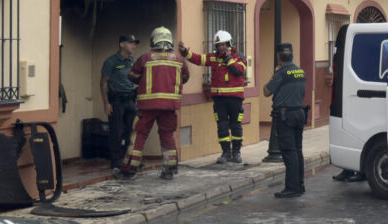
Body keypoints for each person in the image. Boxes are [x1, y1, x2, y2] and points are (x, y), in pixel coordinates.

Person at [116, 26, 189, 181]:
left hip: (147, 107)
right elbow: (185, 77)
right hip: (169, 107)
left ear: (153, 40)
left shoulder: (145, 58)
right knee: (167, 135)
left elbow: (132, 76)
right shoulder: (179, 59)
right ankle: (169, 169)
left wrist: (144, 80)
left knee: (139, 135)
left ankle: (129, 170)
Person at [178, 31, 247, 164]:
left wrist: (228, 59)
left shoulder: (238, 56)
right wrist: (185, 52)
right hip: (219, 99)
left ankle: (236, 153)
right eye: (219, 45)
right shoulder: (214, 57)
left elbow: (239, 71)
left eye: (223, 44)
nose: (221, 47)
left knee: (236, 125)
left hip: (235, 99)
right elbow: (199, 59)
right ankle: (225, 153)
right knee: (222, 126)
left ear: (229, 43)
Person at [263, 43, 306, 198]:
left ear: (279, 57)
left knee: (289, 151)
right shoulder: (300, 71)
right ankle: (300, 184)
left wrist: (274, 74)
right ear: (292, 55)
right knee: (298, 150)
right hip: (299, 113)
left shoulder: (281, 73)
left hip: (285, 116)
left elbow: (266, 91)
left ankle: (292, 188)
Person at [100, 34, 139, 172]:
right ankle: (116, 161)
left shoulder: (131, 60)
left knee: (130, 130)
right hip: (117, 101)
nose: (134, 46)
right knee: (116, 131)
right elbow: (104, 83)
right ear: (122, 44)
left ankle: (127, 160)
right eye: (131, 43)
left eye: (135, 43)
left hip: (130, 99)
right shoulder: (111, 61)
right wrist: (106, 103)